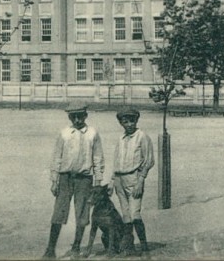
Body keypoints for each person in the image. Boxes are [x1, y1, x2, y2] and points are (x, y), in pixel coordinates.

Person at [42, 104, 105, 260]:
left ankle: (76, 247)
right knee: (59, 212)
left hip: (84, 179)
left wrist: (98, 181)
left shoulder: (92, 133)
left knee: (82, 213)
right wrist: (54, 180)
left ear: (85, 116)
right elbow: (57, 157)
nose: (77, 120)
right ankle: (50, 250)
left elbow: (98, 158)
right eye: (73, 117)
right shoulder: (64, 133)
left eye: (80, 116)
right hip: (65, 178)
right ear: (69, 117)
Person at [112, 108, 154, 257]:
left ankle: (144, 247)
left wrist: (140, 181)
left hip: (134, 179)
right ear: (121, 123)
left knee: (135, 213)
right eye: (125, 121)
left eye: (132, 121)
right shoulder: (121, 138)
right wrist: (112, 180)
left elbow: (149, 160)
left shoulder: (142, 136)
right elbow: (116, 160)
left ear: (136, 121)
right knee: (126, 215)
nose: (129, 124)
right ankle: (129, 247)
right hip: (119, 179)